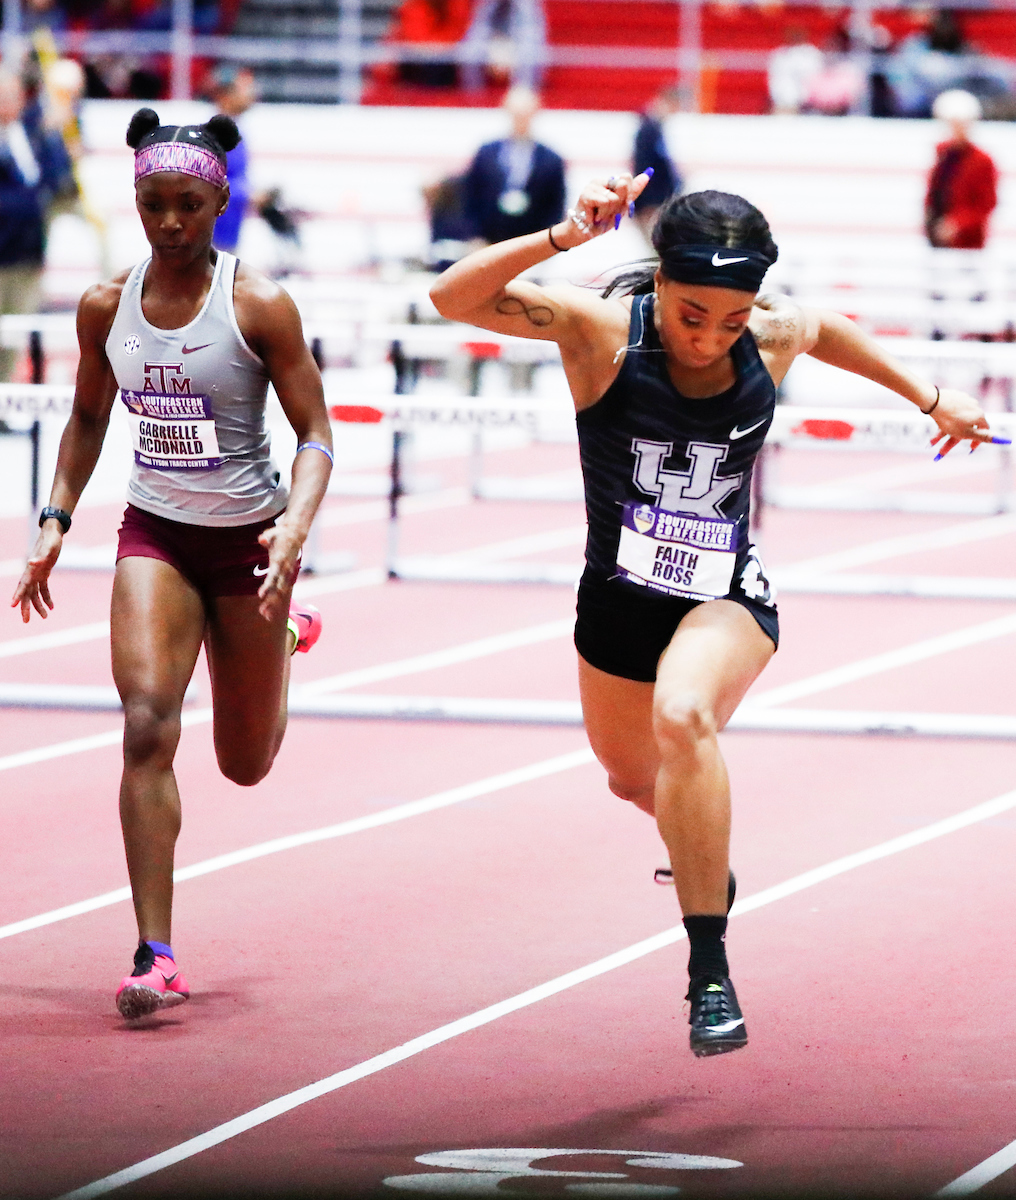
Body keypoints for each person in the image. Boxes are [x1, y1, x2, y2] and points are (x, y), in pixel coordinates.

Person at [429, 174, 996, 1056]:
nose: (709, 338)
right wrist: (565, 234)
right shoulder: (602, 331)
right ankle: (703, 852)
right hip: (616, 600)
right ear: (657, 284)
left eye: (732, 321)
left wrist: (930, 397)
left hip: (724, 593)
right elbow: (450, 297)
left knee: (684, 716)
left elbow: (826, 329)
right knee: (631, 779)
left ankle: (708, 974)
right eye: (693, 315)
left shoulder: (771, 335)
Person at [11, 107, 333, 1020]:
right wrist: (52, 522)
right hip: (154, 532)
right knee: (148, 724)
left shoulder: (259, 305)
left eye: (189, 205)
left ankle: (283, 651)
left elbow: (315, 433)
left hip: (249, 546)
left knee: (244, 763)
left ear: (220, 201)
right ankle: (155, 953)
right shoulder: (105, 308)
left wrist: (294, 530)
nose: (171, 224)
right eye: (154, 205)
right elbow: (84, 418)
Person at [0, 68, 73, 380]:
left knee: (15, 336)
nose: (11, 101)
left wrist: (58, 132)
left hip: (29, 253)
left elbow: (57, 180)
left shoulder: (33, 133)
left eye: (15, 94)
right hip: (3, 249)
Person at [461, 85, 565, 246]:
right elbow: (471, 195)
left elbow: (556, 204)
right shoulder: (486, 153)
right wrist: (474, 235)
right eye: (517, 115)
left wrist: (548, 242)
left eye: (525, 115)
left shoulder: (551, 159)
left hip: (533, 241)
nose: (521, 120)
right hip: (489, 237)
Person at [925, 88, 997, 250]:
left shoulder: (982, 161)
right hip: (937, 235)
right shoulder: (942, 153)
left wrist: (957, 224)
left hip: (967, 241)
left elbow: (986, 203)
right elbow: (935, 192)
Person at [209, 63, 256, 254]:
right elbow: (208, 182)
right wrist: (248, 195)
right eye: (243, 90)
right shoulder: (214, 136)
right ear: (226, 96)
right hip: (212, 235)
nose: (251, 95)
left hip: (230, 231)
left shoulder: (235, 134)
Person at [631, 86, 683, 241]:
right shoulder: (648, 129)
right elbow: (644, 166)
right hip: (652, 203)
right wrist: (647, 202)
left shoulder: (656, 128)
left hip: (658, 201)